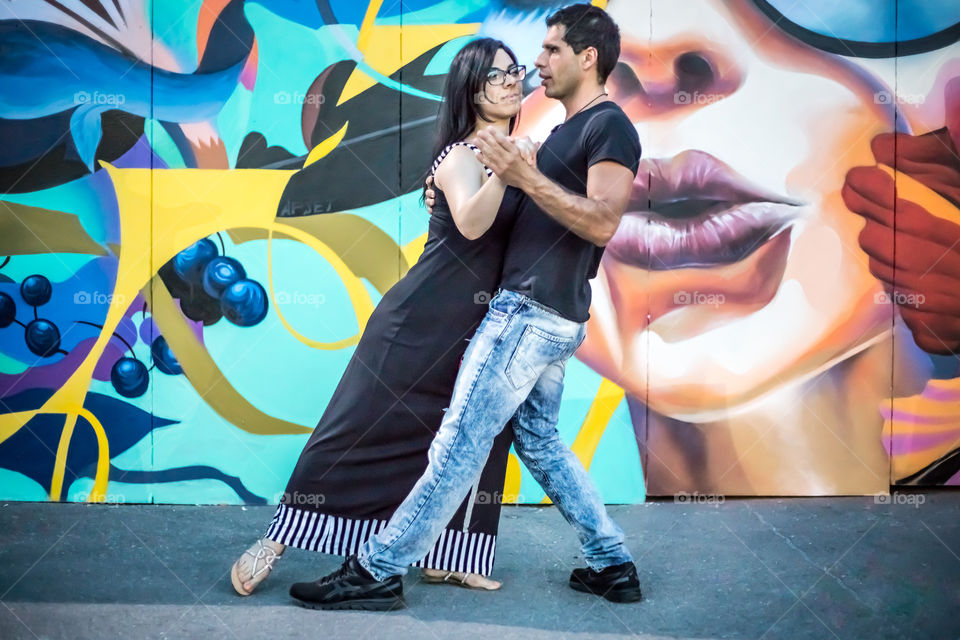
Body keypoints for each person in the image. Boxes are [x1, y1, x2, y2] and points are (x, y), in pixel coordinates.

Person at [289, 4, 643, 611]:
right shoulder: (559, 131)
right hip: (546, 314)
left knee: (457, 441)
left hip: (527, 315)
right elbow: (498, 217)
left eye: (552, 49)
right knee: (540, 442)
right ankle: (611, 563)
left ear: (588, 58)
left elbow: (603, 221)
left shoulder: (608, 127)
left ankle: (377, 569)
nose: (537, 62)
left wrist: (519, 176)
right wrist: (475, 181)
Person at [231, 37, 537, 596]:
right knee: (357, 427)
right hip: (418, 322)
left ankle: (451, 553)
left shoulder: (508, 157)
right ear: (471, 88)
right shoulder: (464, 155)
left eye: (516, 71)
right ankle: (275, 539)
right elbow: (470, 224)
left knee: (478, 435)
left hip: (480, 325)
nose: (513, 81)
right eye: (497, 75)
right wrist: (509, 171)